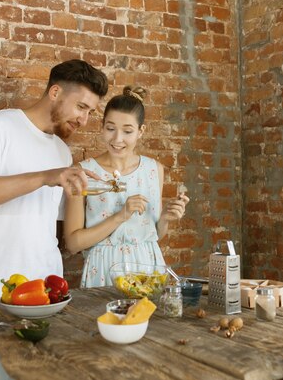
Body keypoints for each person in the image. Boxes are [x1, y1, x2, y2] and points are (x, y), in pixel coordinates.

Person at [0, 59, 108, 379]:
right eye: (81, 106)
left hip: (48, 298)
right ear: (55, 92)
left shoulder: (61, 153)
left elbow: (50, 231)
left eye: (90, 112)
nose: (84, 119)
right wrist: (45, 177)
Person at [63, 86, 190, 288]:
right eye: (110, 128)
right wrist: (120, 216)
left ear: (141, 131)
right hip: (104, 271)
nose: (117, 139)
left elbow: (153, 235)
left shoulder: (154, 169)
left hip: (149, 267)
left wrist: (165, 218)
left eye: (128, 131)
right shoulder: (82, 172)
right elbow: (73, 243)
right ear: (102, 127)